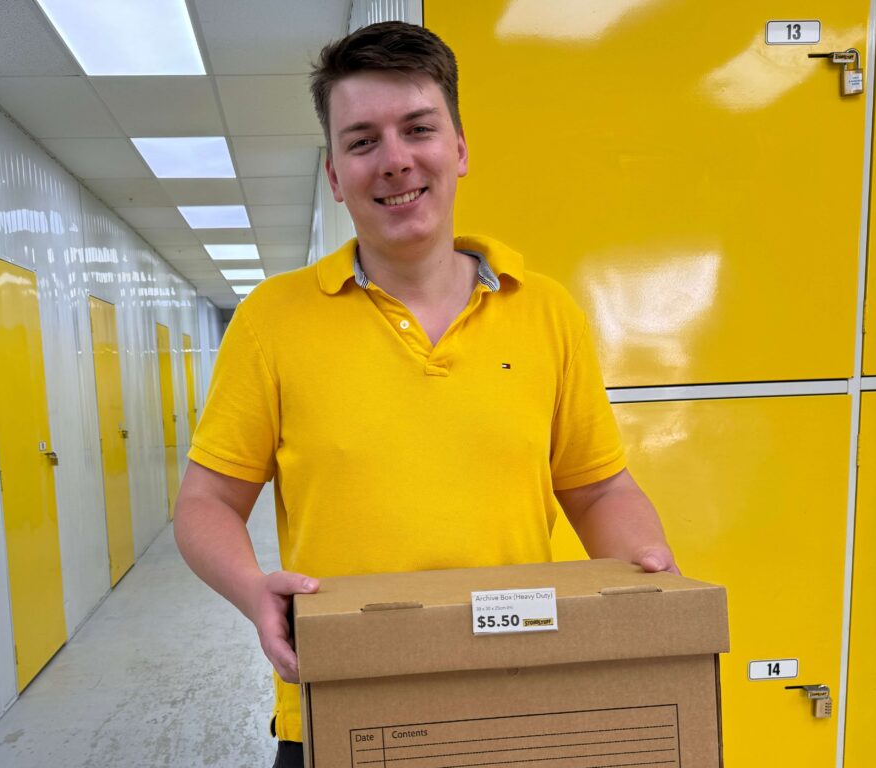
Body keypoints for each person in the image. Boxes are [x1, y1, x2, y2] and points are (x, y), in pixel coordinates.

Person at [173, 20, 678, 768]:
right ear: (336, 175)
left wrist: (649, 584)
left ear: (461, 148)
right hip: (340, 700)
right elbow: (206, 503)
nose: (396, 160)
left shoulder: (544, 311)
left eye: (418, 129)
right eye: (362, 140)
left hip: (517, 695)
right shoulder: (272, 322)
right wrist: (255, 592)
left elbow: (597, 488)